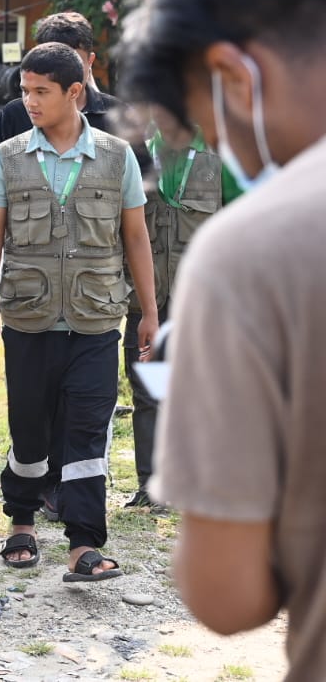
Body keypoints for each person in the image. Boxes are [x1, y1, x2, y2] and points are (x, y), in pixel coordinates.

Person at [115, 0, 326, 679]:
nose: (230, 154)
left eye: (214, 128)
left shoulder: (259, 249)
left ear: (237, 76)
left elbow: (227, 592)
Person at [0, 42, 156, 583]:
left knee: (87, 430)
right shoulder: (9, 156)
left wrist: (149, 311)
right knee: (30, 429)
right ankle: (22, 520)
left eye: (40, 92)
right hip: (28, 318)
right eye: (24, 91)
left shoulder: (117, 155)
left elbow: (137, 237)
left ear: (74, 92)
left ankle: (83, 543)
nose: (28, 101)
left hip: (97, 318)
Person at [121, 127, 237, 510]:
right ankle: (150, 483)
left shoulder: (221, 157)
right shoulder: (136, 156)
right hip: (146, 297)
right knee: (146, 390)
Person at [0, 12, 122, 185]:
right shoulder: (13, 115)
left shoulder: (118, 114)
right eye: (51, 60)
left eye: (72, 59)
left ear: (90, 60)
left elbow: (139, 188)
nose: (61, 71)